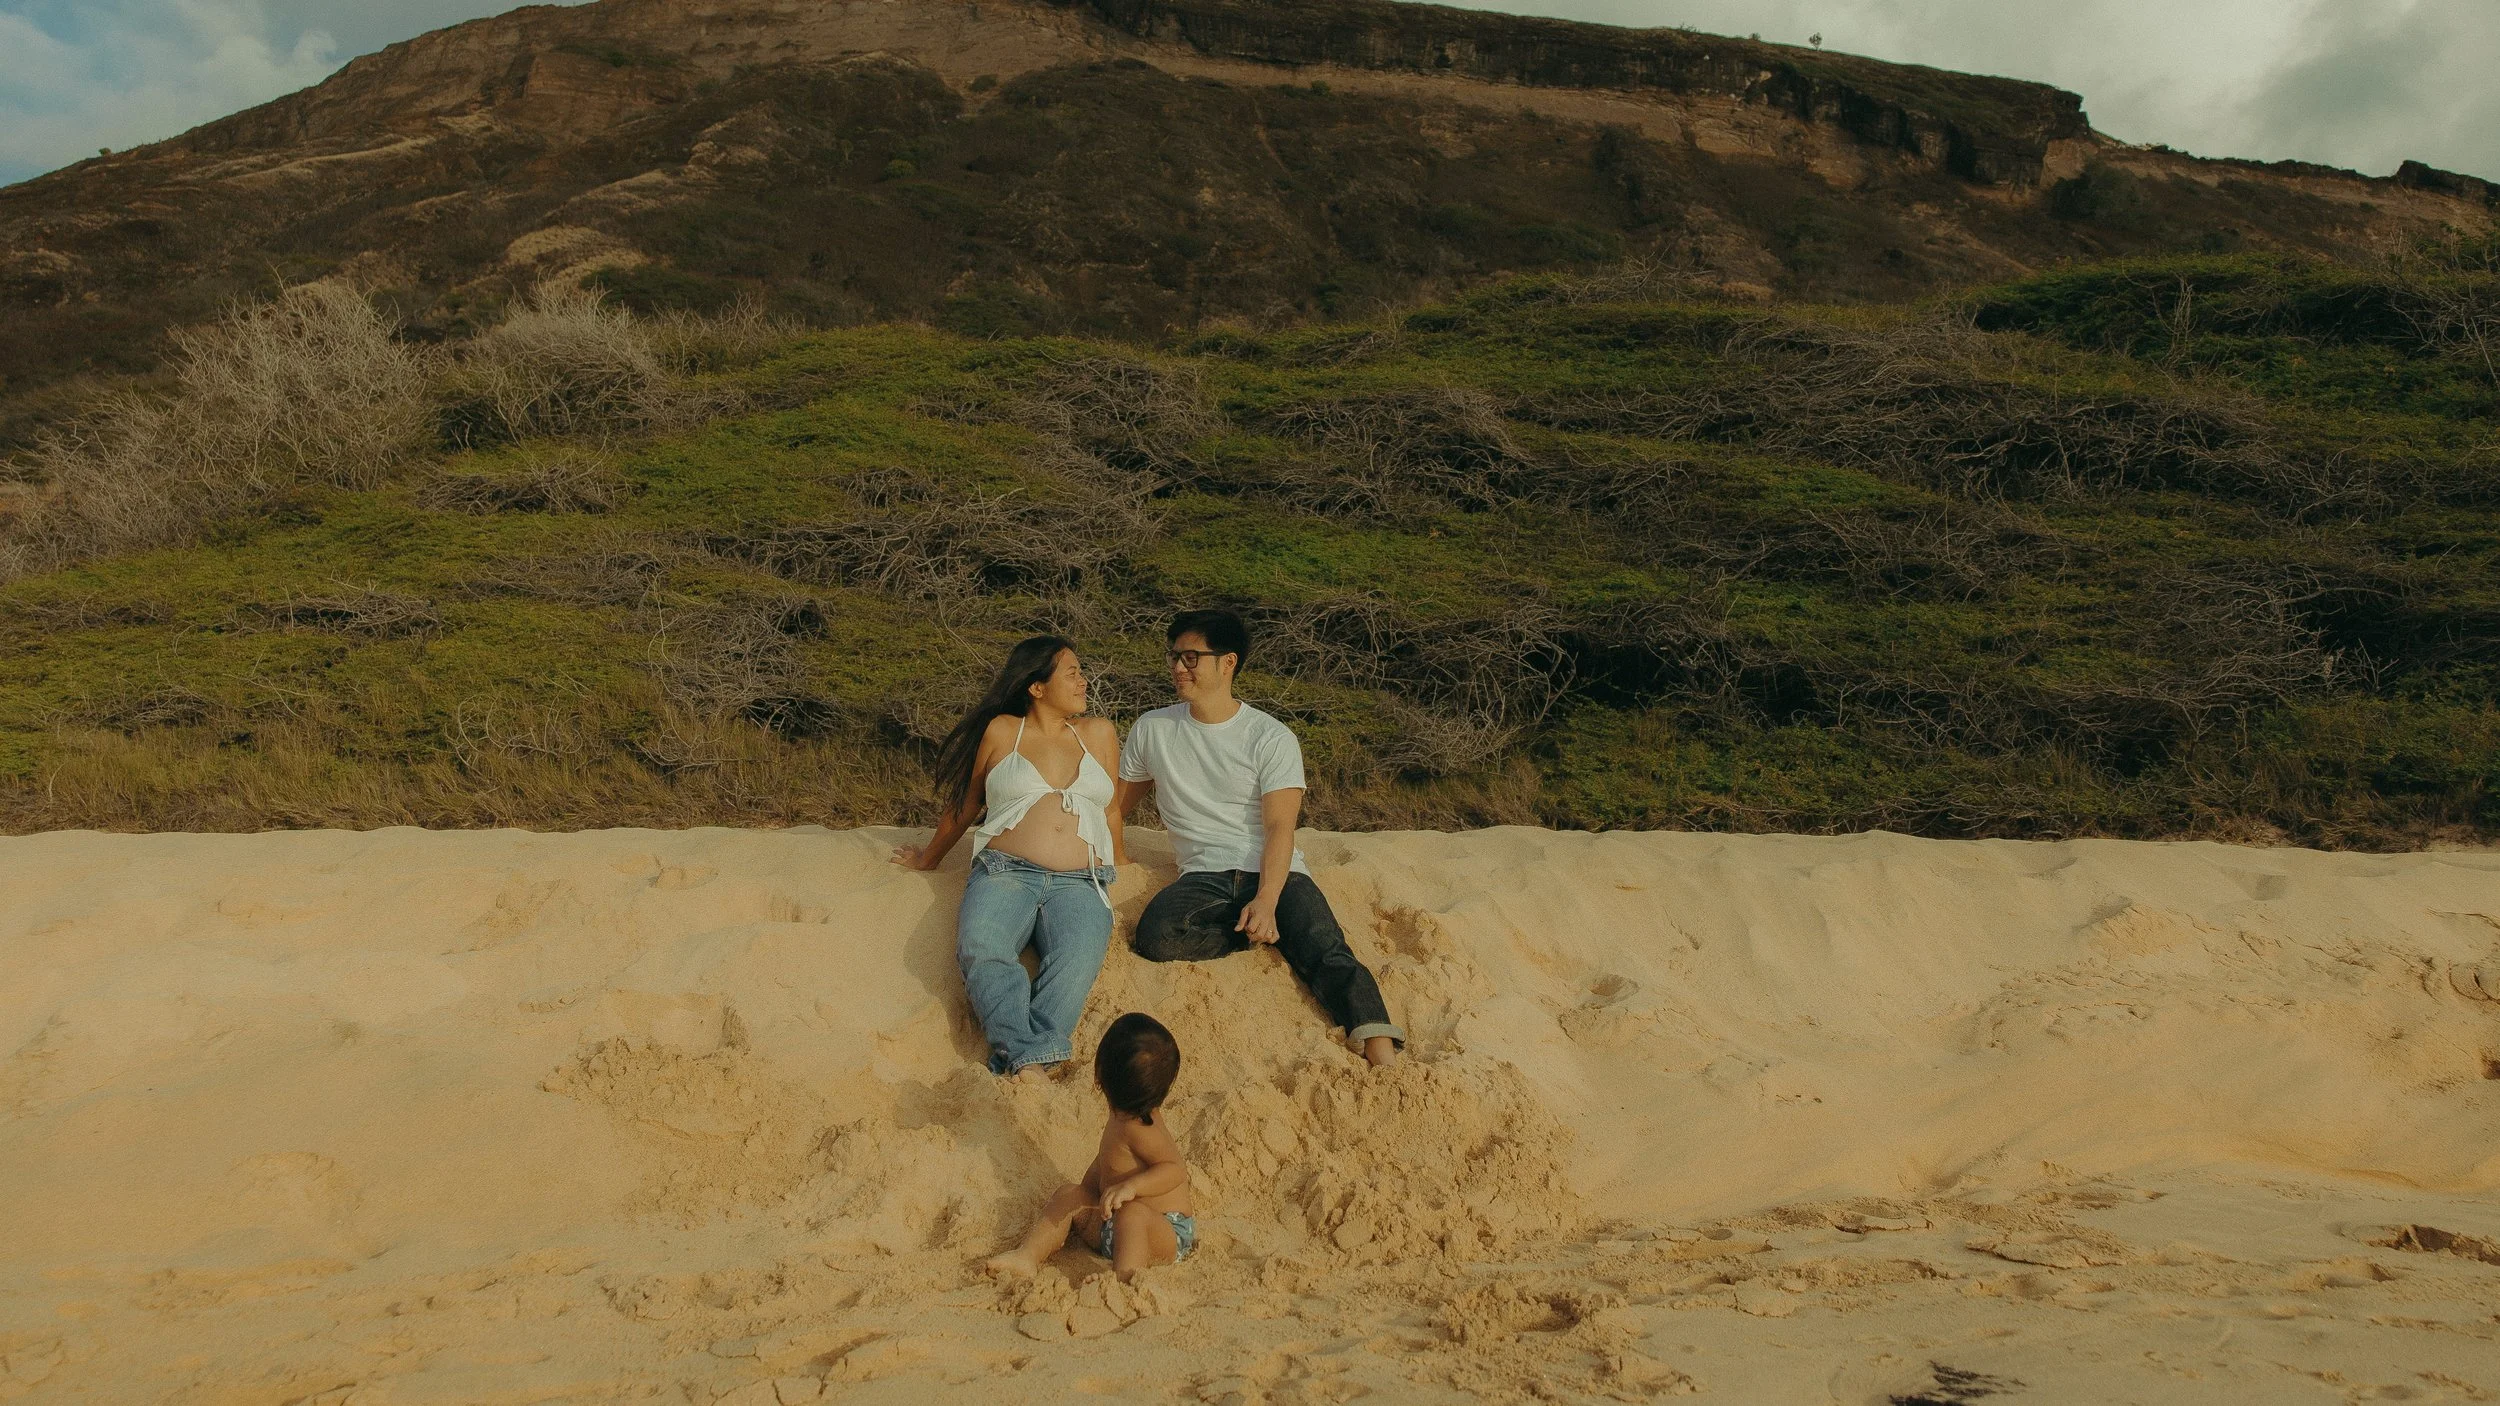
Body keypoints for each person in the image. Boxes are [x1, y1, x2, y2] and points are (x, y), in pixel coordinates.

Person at [1114, 609, 1403, 1067]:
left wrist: (1268, 898)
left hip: (1275, 869)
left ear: (1227, 663)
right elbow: (1116, 806)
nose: (1177, 667)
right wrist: (1115, 855)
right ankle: (1252, 936)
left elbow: (1279, 827)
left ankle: (1380, 1050)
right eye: (1173, 656)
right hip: (1204, 873)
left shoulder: (1270, 736)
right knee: (1157, 936)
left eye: (1191, 657)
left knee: (1327, 949)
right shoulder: (1154, 728)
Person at [892, 636, 1124, 1079]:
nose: (1083, 680)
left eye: (1081, 671)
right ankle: (1031, 1059)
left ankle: (1019, 1058)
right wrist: (928, 859)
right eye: (1071, 672)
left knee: (1078, 960)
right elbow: (966, 804)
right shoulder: (1002, 730)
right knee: (983, 947)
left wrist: (1124, 860)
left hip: (1082, 879)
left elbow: (1110, 807)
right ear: (1037, 687)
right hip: (1006, 871)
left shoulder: (1099, 733)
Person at [984, 1012, 1196, 1281]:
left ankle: (1124, 1278)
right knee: (1069, 1194)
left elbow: (1174, 1170)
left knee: (1133, 1214)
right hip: (1114, 1228)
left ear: (1098, 1077)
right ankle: (1027, 1256)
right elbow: (1110, 1159)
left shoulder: (1146, 1128)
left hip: (1163, 1232)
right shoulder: (1122, 1114)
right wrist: (1087, 1191)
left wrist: (1133, 1187)